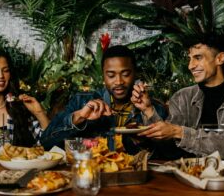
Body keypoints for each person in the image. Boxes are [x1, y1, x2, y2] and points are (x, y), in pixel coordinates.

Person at [132, 34, 224, 160]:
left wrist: (179, 132)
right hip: (188, 174)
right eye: (189, 59)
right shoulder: (182, 97)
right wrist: (148, 110)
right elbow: (169, 149)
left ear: (220, 58)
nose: (190, 66)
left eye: (198, 57)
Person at [40, 45, 169, 158]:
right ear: (103, 75)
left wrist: (145, 138)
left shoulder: (151, 108)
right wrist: (79, 117)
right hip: (91, 175)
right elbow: (46, 143)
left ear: (134, 73)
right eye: (111, 75)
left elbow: (168, 155)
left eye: (125, 74)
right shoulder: (82, 101)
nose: (118, 82)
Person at [0, 47, 49, 147]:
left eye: (6, 70)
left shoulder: (19, 109)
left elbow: (47, 144)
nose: (0, 76)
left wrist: (39, 113)